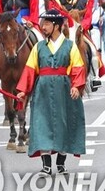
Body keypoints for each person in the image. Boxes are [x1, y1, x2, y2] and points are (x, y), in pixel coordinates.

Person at [16, 9, 86, 176]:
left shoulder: (71, 46)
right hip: (42, 90)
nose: (43, 27)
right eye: (43, 23)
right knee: (41, 124)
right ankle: (46, 165)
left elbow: (77, 68)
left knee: (65, 124)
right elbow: (29, 70)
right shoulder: (38, 47)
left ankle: (61, 163)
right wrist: (22, 91)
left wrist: (76, 86)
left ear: (57, 26)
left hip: (64, 90)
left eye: (47, 23)